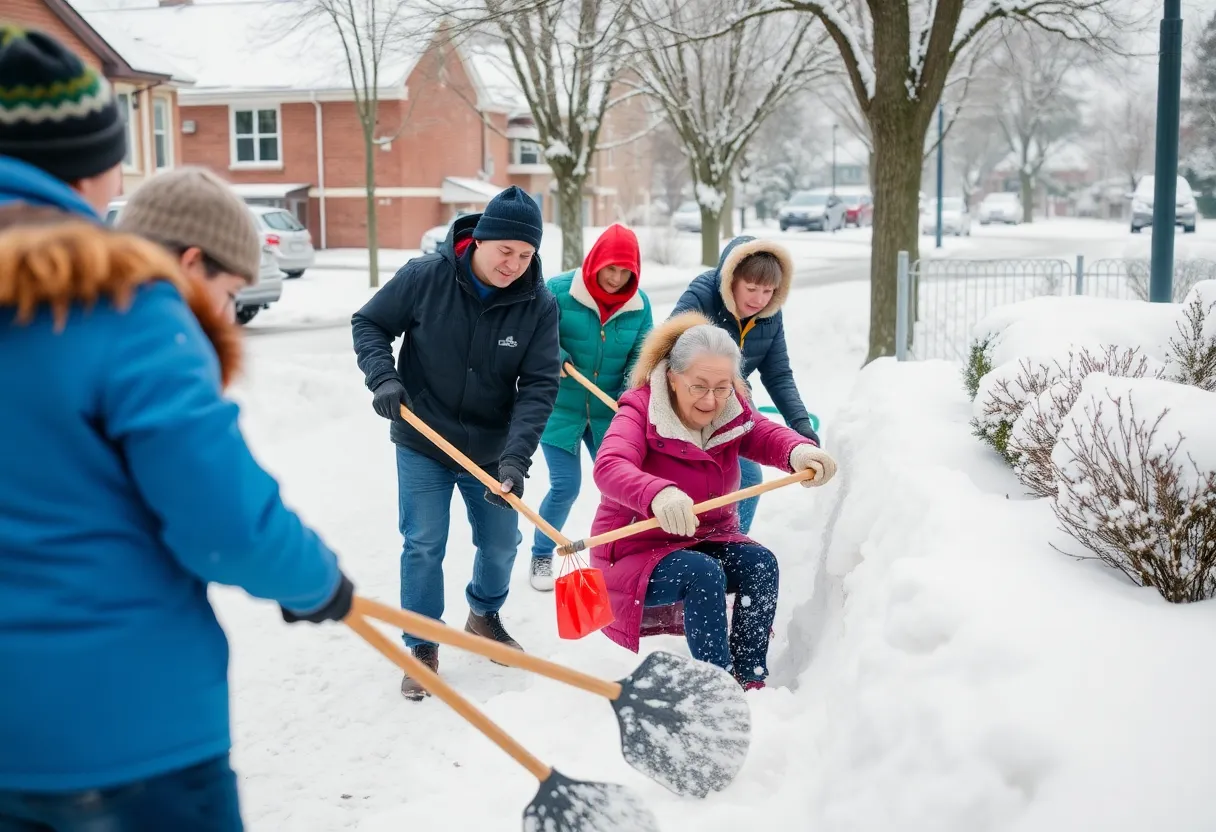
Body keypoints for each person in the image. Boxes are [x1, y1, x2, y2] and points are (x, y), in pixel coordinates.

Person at [0, 26, 352, 831]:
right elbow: (225, 524)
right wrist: (315, 582)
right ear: (92, 171)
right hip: (121, 734)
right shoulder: (120, 309)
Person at [352, 185, 559, 700]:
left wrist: (516, 458)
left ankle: (483, 614)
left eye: (526, 254)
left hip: (491, 449)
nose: (514, 263)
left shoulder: (538, 304)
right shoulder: (426, 277)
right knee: (424, 542)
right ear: (480, 240)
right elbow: (370, 322)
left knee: (500, 542)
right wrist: (382, 376)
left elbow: (539, 386)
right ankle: (421, 644)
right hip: (423, 438)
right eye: (504, 250)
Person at [590, 312, 837, 690]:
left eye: (722, 388)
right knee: (702, 573)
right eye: (699, 387)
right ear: (673, 378)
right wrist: (657, 493)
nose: (711, 400)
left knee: (759, 564)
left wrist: (798, 452)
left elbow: (764, 434)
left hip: (704, 537)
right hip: (635, 546)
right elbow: (609, 465)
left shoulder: (729, 406)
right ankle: (717, 687)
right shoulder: (640, 410)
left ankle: (750, 678)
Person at [529, 223, 653, 591]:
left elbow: (641, 357)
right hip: (560, 409)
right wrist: (555, 355)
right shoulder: (558, 291)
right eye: (610, 268)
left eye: (624, 270)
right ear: (595, 262)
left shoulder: (639, 305)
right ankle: (541, 552)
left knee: (620, 487)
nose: (616, 278)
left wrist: (632, 390)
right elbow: (536, 336)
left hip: (608, 414)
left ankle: (618, 555)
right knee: (566, 486)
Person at [671, 236, 819, 534]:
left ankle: (731, 544)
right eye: (751, 289)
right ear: (731, 279)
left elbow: (778, 374)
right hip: (688, 394)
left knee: (748, 476)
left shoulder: (769, 316)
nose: (759, 299)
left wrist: (800, 426)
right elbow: (667, 352)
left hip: (732, 396)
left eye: (768, 291)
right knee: (695, 477)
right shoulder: (702, 296)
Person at [116, 166, 262, 323]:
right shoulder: (167, 344)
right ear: (192, 264)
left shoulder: (94, 323)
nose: (230, 319)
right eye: (231, 294)